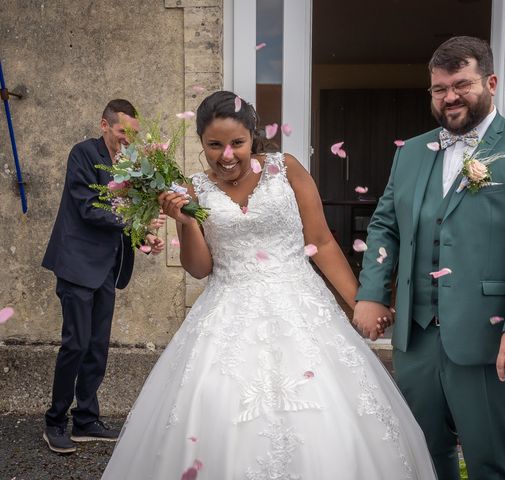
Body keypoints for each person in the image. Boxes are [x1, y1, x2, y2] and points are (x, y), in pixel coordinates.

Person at [100, 91, 436, 479]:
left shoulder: (286, 169)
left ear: (253, 137)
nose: (227, 155)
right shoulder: (192, 189)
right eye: (214, 145)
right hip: (227, 313)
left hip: (301, 306)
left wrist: (360, 302)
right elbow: (198, 267)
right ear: (201, 143)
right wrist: (187, 222)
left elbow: (322, 242)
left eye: (237, 143)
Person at [353, 36, 505, 479]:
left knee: (491, 463)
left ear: (490, 82)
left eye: (461, 85)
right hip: (417, 338)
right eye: (439, 88)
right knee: (423, 455)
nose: (450, 97)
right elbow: (384, 226)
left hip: (491, 339)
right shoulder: (411, 152)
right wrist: (372, 293)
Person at [42, 99, 165, 454]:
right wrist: (136, 222)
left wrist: (144, 240)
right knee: (76, 345)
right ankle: (55, 422)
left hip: (108, 269)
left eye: (134, 134)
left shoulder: (130, 165)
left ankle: (86, 420)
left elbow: (128, 217)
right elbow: (88, 207)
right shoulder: (82, 154)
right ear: (105, 125)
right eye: (123, 131)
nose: (129, 139)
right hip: (77, 266)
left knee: (97, 347)